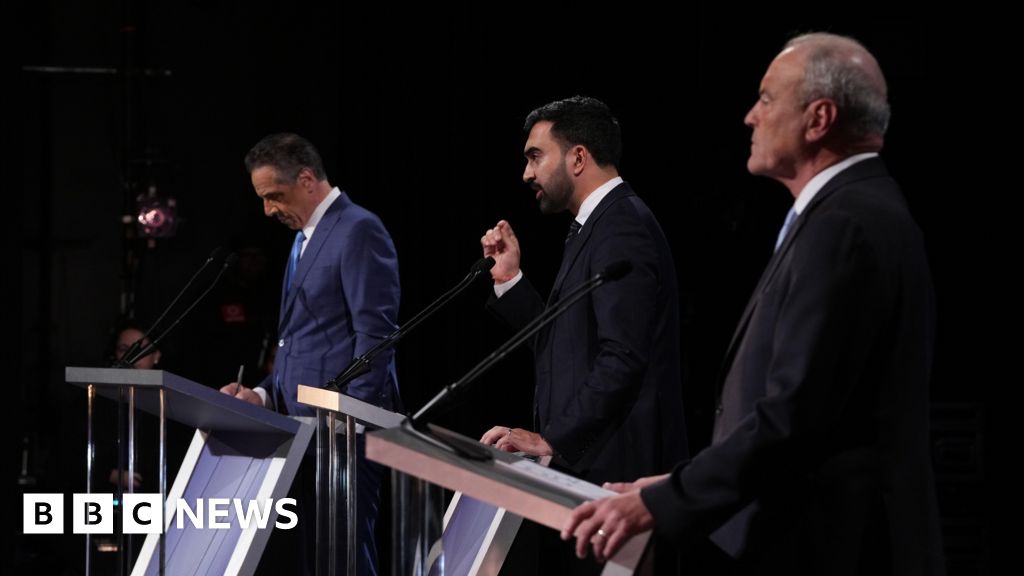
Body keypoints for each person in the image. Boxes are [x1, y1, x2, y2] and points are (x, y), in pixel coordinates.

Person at [561, 33, 946, 576]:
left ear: (818, 120)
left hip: (835, 549)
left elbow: (793, 418)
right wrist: (677, 482)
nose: (749, 116)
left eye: (766, 99)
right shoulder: (851, 211)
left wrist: (663, 501)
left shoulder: (846, 226)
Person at [478, 96, 687, 485]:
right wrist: (510, 281)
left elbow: (622, 356)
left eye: (535, 156)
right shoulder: (596, 226)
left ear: (577, 158)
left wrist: (552, 440)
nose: (526, 173)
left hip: (617, 474)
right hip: (591, 468)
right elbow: (569, 345)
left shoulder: (621, 227)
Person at [220, 133, 401, 575]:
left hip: (342, 436)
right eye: (262, 199)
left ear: (305, 179)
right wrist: (262, 395)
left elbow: (375, 336)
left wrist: (350, 420)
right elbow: (299, 341)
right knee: (314, 560)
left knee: (344, 560)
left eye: (274, 196)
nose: (268, 210)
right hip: (302, 429)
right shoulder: (305, 236)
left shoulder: (358, 229)